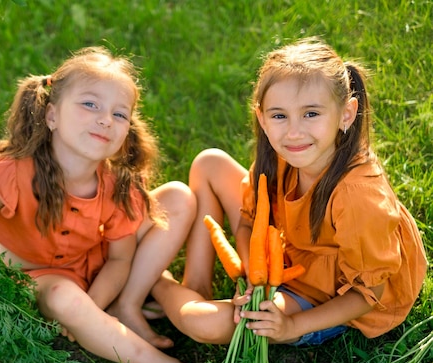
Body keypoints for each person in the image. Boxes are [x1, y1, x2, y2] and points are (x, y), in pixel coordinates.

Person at [0, 46, 198, 363]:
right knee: (66, 301)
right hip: (42, 277)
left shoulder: (115, 186)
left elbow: (119, 259)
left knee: (178, 196)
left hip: (96, 262)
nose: (106, 119)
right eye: (90, 104)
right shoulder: (15, 171)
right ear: (51, 116)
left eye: (120, 114)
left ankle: (125, 305)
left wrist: (97, 304)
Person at [151, 37, 427, 346]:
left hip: (327, 293)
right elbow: (248, 221)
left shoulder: (358, 197)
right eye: (279, 116)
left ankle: (158, 284)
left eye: (311, 114)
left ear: (346, 114)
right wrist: (254, 277)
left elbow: (367, 293)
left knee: (203, 323)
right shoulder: (283, 157)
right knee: (209, 162)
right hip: (286, 254)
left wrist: (290, 325)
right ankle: (197, 282)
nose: (294, 132)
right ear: (262, 119)